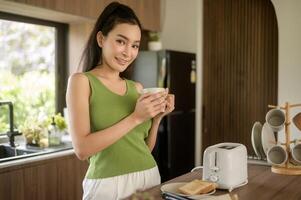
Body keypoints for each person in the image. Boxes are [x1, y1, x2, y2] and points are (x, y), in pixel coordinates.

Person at [66, 2, 175, 200]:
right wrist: (135, 118)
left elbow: (142, 149)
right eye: (121, 41)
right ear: (101, 38)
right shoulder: (81, 82)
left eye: (134, 45)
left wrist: (157, 118)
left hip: (149, 178)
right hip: (107, 186)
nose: (128, 52)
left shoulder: (137, 88)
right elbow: (82, 149)